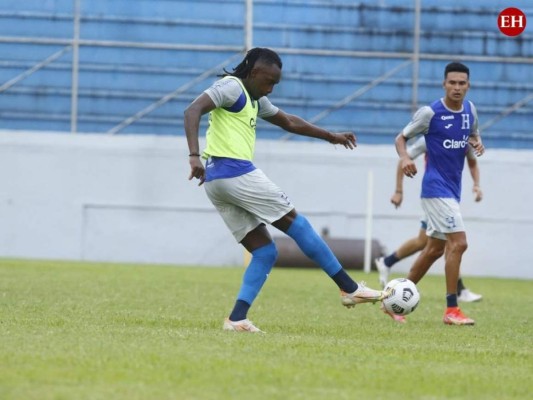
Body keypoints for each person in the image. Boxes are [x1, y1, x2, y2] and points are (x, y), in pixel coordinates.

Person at [184, 47, 386, 333]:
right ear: (253, 73)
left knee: (265, 251)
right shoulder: (231, 87)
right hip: (235, 171)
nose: (271, 88)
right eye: (269, 81)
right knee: (295, 222)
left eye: (275, 83)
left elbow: (289, 121)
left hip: (216, 181)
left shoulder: (255, 99)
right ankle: (348, 288)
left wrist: (331, 137)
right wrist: (193, 156)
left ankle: (237, 319)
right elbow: (192, 109)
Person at [394, 61, 484, 326]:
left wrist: (478, 143)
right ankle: (451, 310)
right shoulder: (430, 113)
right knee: (460, 244)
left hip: (452, 191)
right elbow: (400, 138)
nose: (457, 87)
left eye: (462, 83)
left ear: (468, 85)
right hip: (435, 190)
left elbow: (474, 137)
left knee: (434, 250)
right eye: (452, 82)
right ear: (444, 84)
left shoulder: (470, 111)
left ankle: (393, 299)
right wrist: (404, 159)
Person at [375, 135, 483, 304]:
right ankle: (457, 294)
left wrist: (476, 184)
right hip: (437, 195)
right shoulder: (430, 137)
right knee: (454, 242)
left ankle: (388, 266)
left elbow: (473, 162)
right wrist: (398, 191)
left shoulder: (464, 135)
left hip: (449, 196)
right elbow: (404, 158)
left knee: (426, 243)